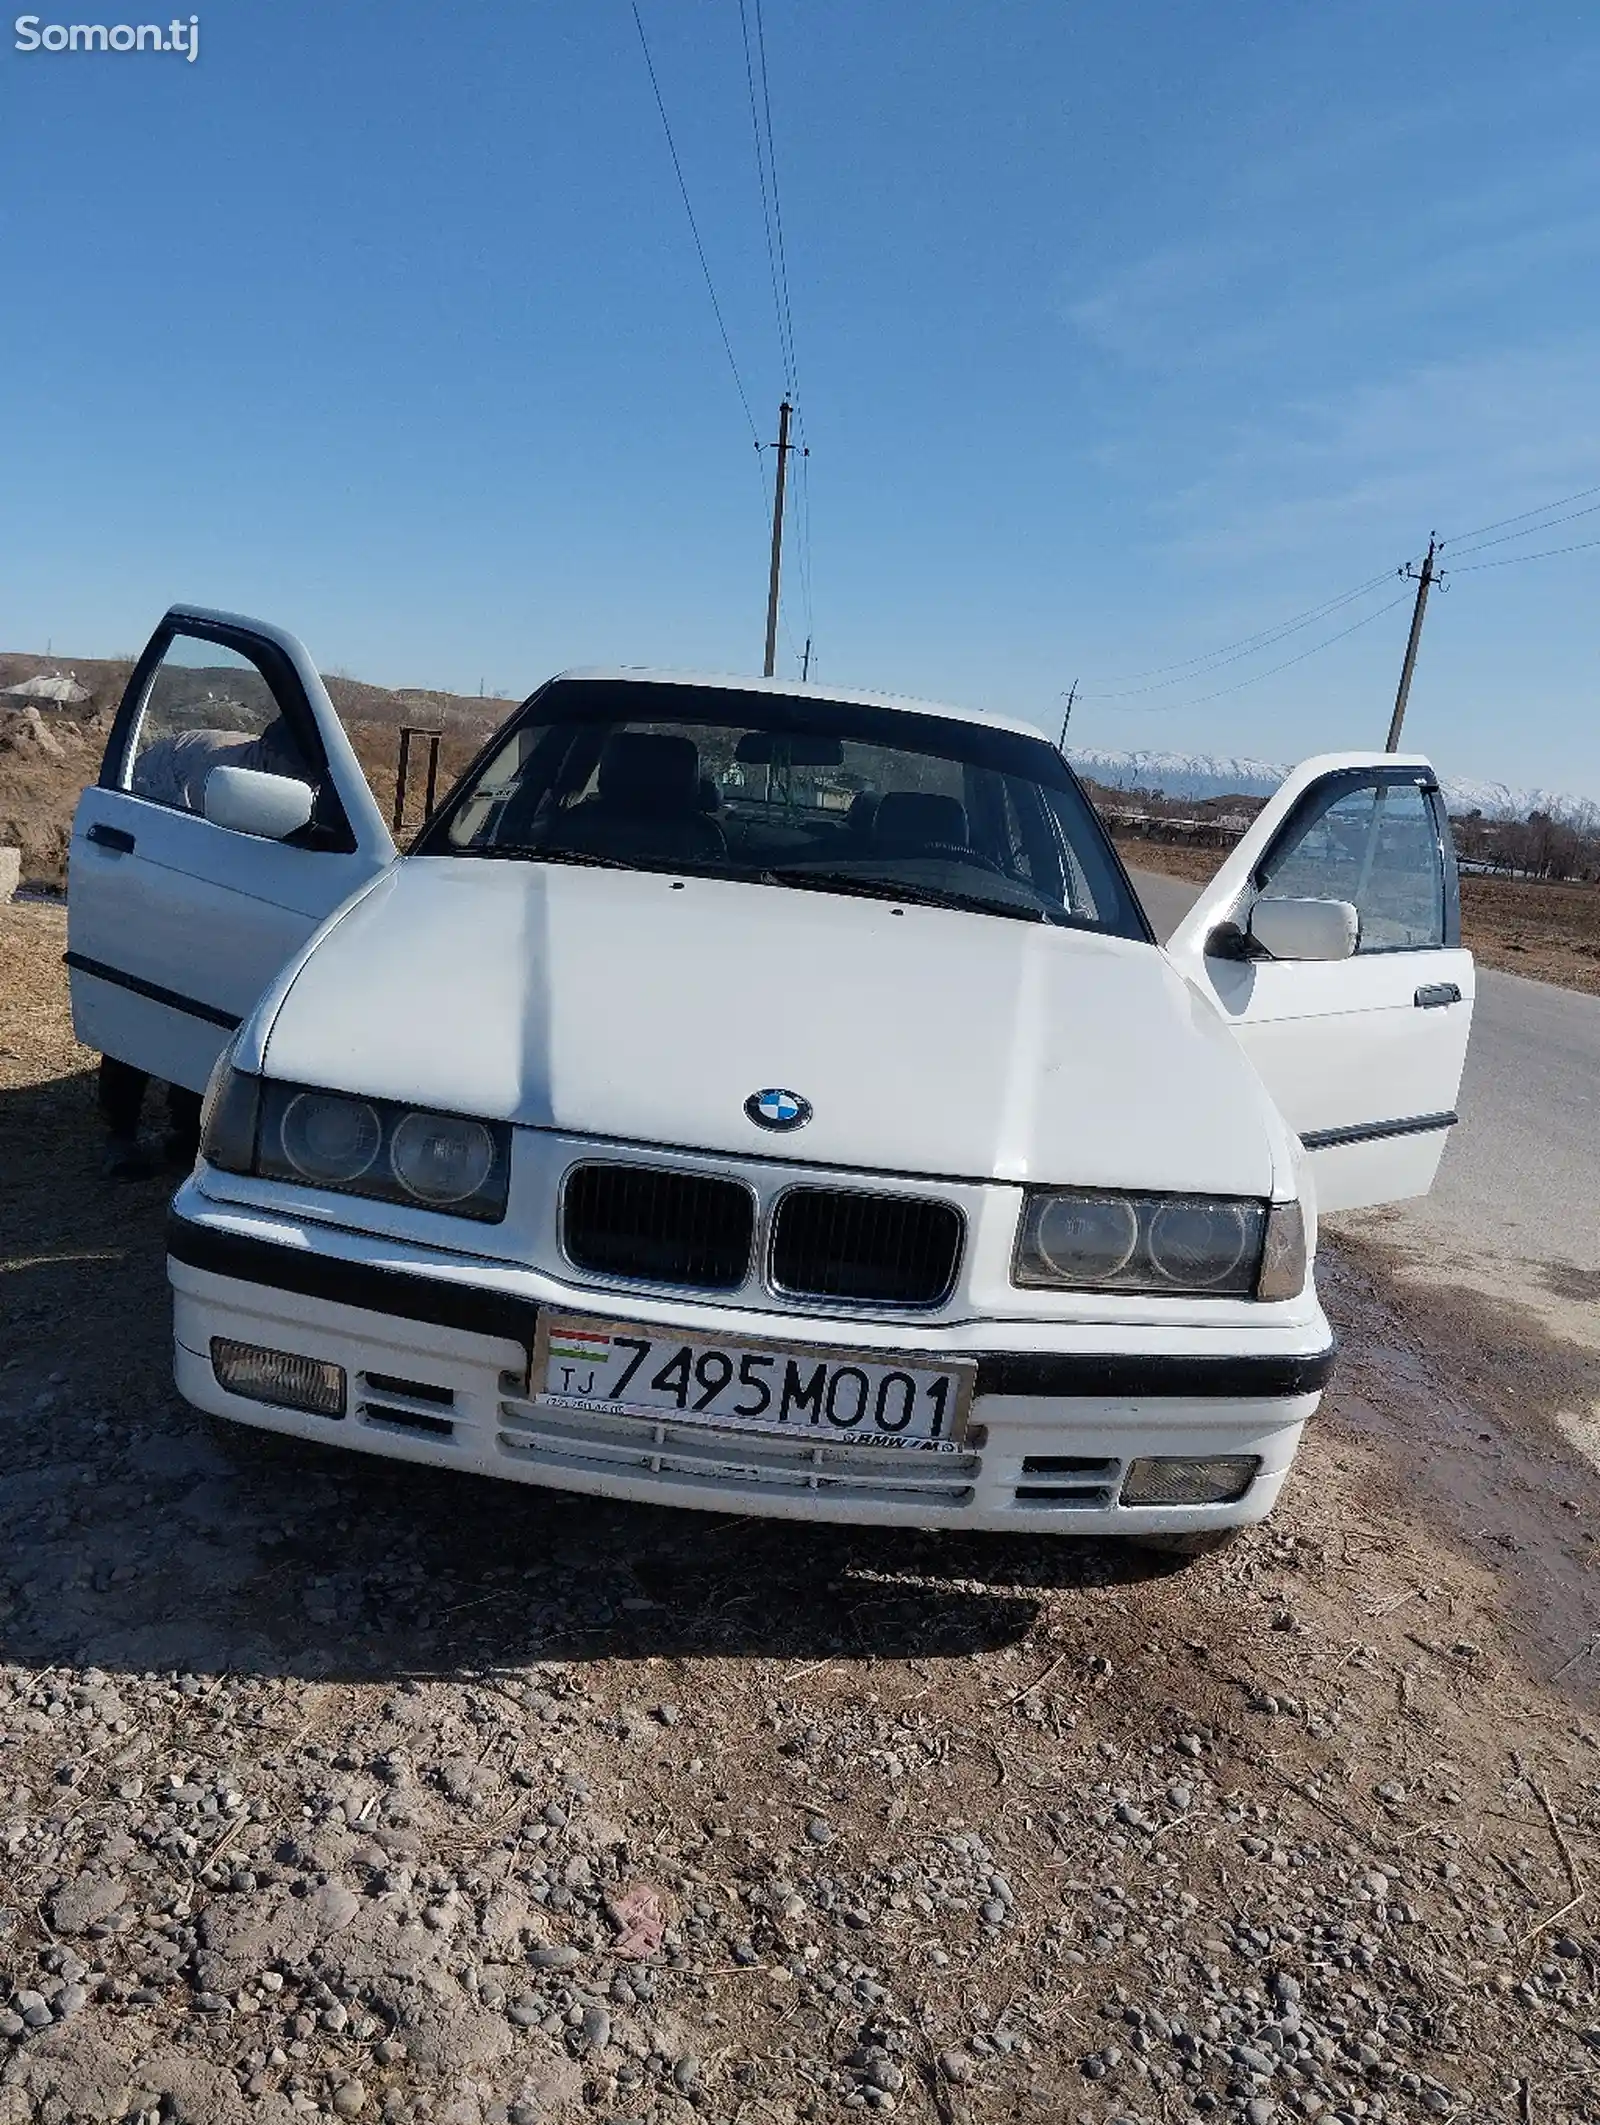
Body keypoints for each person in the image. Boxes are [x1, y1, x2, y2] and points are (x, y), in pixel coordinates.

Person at [100, 715, 313, 1178]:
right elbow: (206, 852)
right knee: (144, 993)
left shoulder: (290, 777)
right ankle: (119, 1133)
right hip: (153, 808)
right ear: (272, 754)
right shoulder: (221, 778)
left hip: (191, 853)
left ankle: (184, 1126)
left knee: (202, 999)